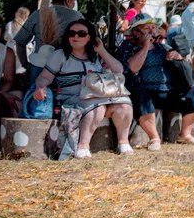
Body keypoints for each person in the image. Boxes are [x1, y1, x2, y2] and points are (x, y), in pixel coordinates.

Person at [30, 18, 134, 158]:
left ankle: (123, 142)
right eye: (71, 33)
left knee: (124, 105)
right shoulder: (60, 55)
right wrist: (40, 87)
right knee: (97, 108)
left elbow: (118, 69)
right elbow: (45, 77)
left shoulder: (95, 56)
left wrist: (102, 50)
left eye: (81, 33)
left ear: (89, 37)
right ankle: (83, 146)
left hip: (100, 96)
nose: (75, 37)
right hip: (72, 98)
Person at [117, 13, 194, 149]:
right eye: (147, 28)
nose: (151, 30)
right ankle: (154, 138)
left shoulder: (161, 47)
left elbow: (182, 67)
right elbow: (133, 68)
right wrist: (145, 47)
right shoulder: (128, 46)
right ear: (136, 31)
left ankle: (185, 134)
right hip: (145, 91)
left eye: (153, 27)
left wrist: (177, 57)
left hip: (167, 91)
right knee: (141, 95)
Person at [15, 0, 83, 71]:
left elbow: (20, 41)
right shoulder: (77, 16)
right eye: (74, 1)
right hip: (66, 68)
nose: (74, 4)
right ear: (68, 1)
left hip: (39, 66)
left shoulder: (37, 14)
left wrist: (25, 65)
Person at [0, 18, 23, 139]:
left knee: (18, 96)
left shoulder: (6, 51)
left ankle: (12, 142)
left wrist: (1, 92)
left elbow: (9, 79)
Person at [4, 6, 29, 78]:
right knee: (21, 68)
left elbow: (6, 37)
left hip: (11, 47)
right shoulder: (26, 25)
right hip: (23, 48)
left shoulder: (10, 24)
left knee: (10, 67)